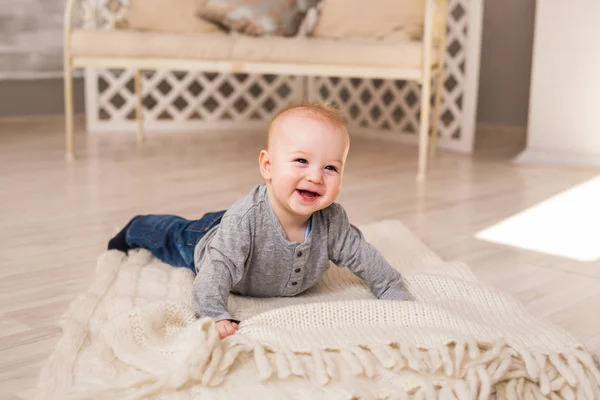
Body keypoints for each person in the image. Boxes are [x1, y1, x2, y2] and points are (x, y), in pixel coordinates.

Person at [108, 102, 413, 339]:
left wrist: (392, 290)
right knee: (170, 235)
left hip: (238, 238)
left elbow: (364, 255)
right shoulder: (245, 222)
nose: (316, 176)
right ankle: (138, 226)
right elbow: (217, 269)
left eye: (331, 167)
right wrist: (214, 315)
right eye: (302, 161)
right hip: (207, 239)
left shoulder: (332, 221)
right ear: (268, 166)